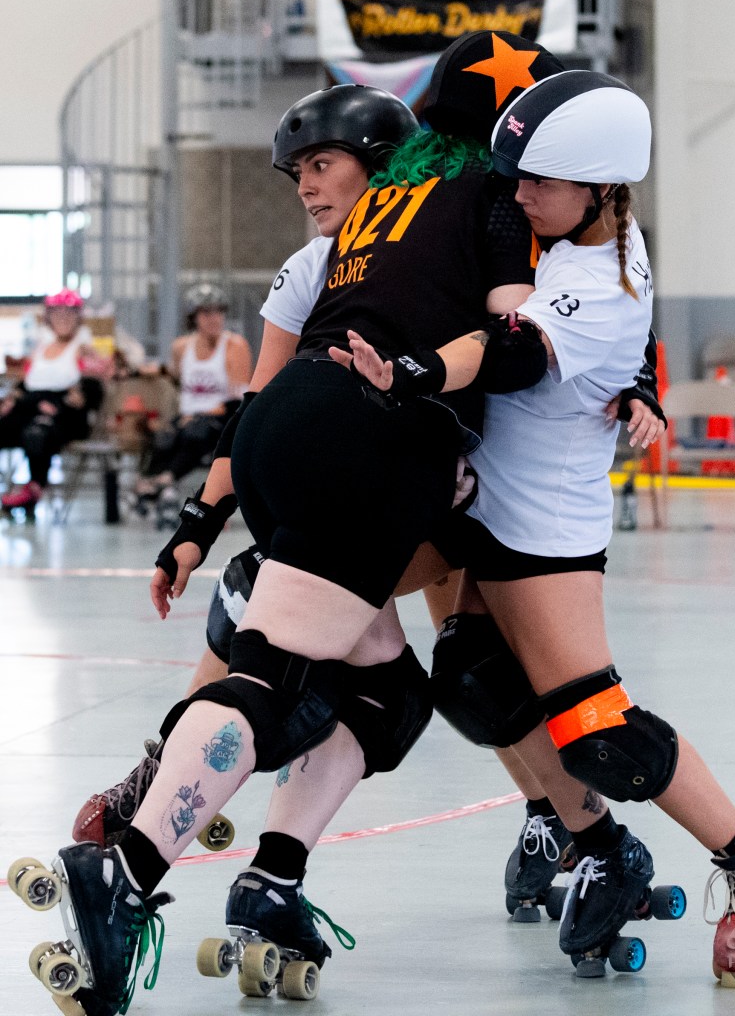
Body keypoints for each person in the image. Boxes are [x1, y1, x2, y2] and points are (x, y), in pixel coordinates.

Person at [20, 70, 661, 1015]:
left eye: (321, 165)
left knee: (387, 695)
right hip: (371, 447)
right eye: (302, 172)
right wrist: (629, 372)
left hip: (295, 438)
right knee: (273, 679)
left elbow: (263, 397)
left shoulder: (354, 239)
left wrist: (198, 522)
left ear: (385, 160)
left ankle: (274, 875)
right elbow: (531, 328)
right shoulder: (490, 205)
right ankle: (129, 866)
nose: (310, 187)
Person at [346, 70, 735, 982]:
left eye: (539, 183)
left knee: (598, 728)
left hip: (544, 529)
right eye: (517, 178)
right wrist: (633, 382)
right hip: (485, 507)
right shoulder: (578, 237)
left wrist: (411, 372)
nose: (518, 195)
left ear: (599, 188)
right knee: (474, 684)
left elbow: (514, 356)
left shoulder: (602, 280)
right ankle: (585, 836)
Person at [131, 283, 252, 519]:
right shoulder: (181, 346)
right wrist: (139, 371)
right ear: (194, 317)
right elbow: (174, 374)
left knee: (194, 433)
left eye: (218, 312)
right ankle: (157, 487)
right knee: (163, 437)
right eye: (206, 313)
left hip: (222, 417)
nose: (214, 318)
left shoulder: (234, 346)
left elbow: (238, 397)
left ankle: (161, 483)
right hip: (187, 416)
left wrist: (198, 416)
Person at [0, 289, 109, 516]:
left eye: (69, 314)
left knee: (38, 430)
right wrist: (13, 400)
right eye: (58, 314)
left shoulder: (83, 348)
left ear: (78, 317)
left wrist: (75, 397)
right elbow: (25, 384)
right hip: (31, 407)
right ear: (48, 317)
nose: (63, 319)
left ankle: (34, 487)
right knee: (23, 422)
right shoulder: (40, 348)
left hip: (64, 415)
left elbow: (93, 389)